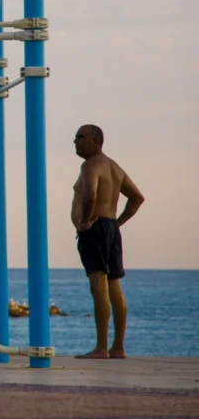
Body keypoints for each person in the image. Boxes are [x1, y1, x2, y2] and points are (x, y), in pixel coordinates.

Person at [71, 124, 145, 359]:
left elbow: (90, 195)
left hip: (95, 230)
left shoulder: (90, 165)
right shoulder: (114, 167)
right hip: (109, 227)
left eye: (81, 137)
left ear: (97, 141)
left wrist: (85, 221)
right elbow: (137, 198)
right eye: (75, 137)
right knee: (114, 286)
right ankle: (118, 348)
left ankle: (101, 347)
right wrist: (116, 223)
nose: (75, 141)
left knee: (98, 286)